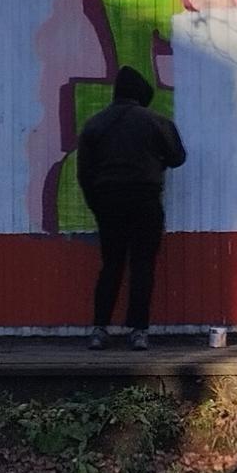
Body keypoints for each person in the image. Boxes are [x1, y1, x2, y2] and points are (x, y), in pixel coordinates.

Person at [76, 65, 186, 349]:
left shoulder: (95, 124)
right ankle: (138, 331)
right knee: (143, 264)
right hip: (145, 199)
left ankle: (99, 329)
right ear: (140, 95)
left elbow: (84, 173)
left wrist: (97, 205)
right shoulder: (156, 122)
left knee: (111, 264)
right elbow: (177, 157)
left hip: (108, 202)